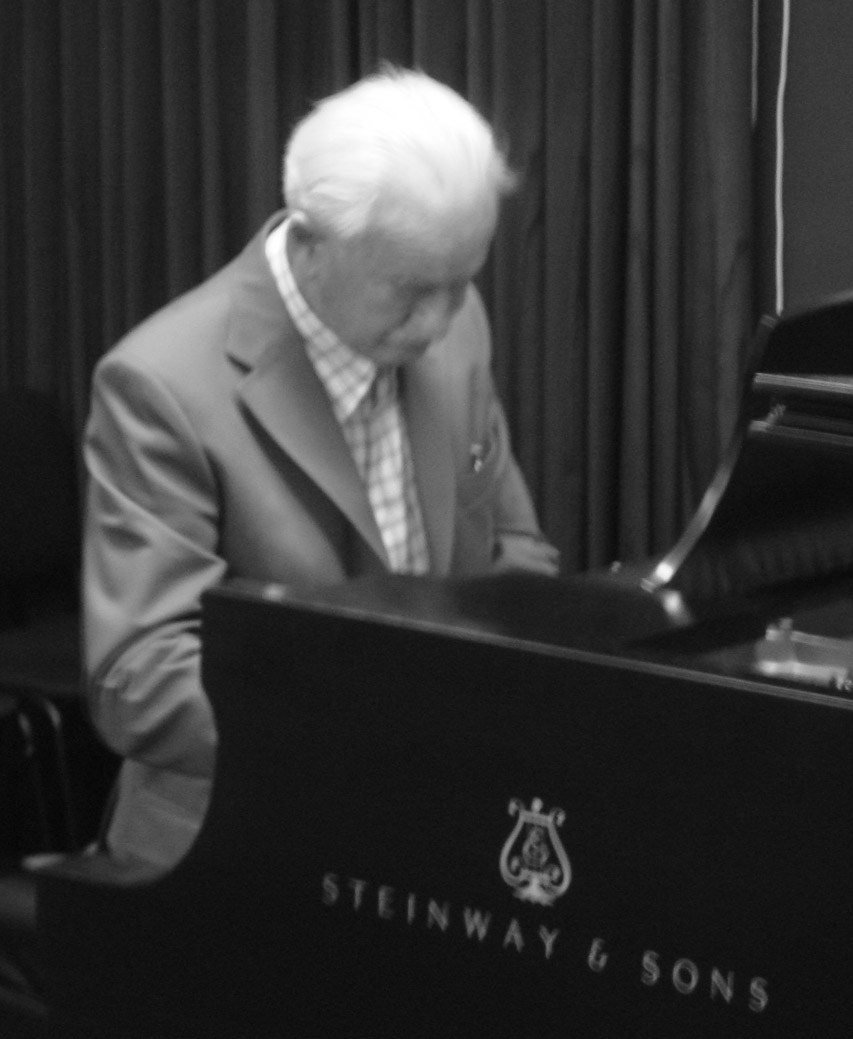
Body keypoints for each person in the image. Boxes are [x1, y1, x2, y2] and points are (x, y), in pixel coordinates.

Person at [83, 67, 559, 870]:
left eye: (462, 280)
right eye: (411, 290)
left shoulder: (453, 321)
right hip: (235, 838)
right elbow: (138, 676)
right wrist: (382, 728)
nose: (441, 322)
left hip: (437, 808)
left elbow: (515, 548)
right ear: (310, 243)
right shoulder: (162, 382)